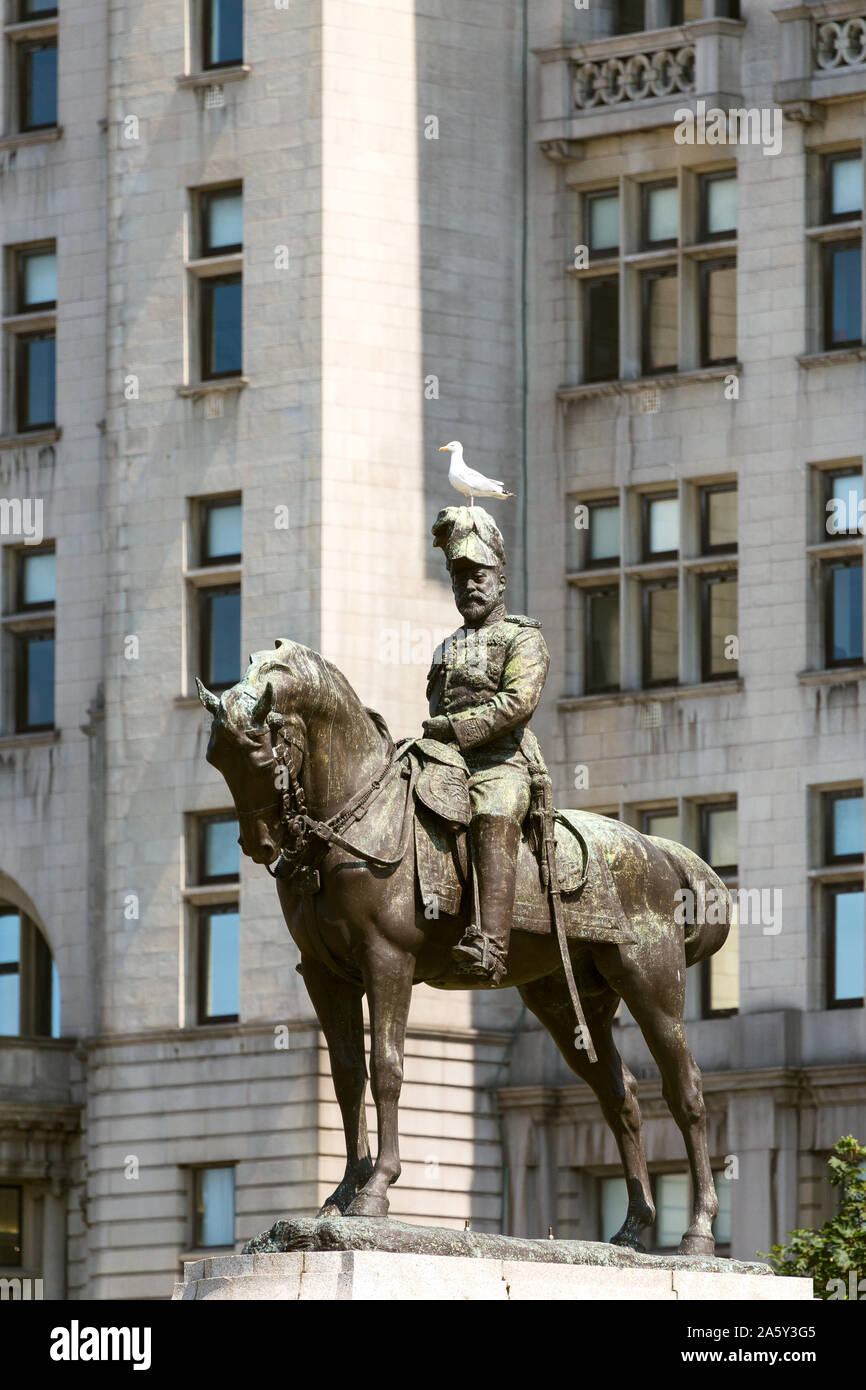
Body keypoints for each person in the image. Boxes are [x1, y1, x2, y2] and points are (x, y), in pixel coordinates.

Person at [422, 506, 550, 984]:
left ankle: (490, 943)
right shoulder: (447, 647)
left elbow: (517, 702)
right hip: (449, 763)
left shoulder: (523, 637)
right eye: (459, 578)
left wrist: (455, 730)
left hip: (504, 764)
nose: (468, 586)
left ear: (500, 580)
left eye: (478, 575)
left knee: (492, 810)